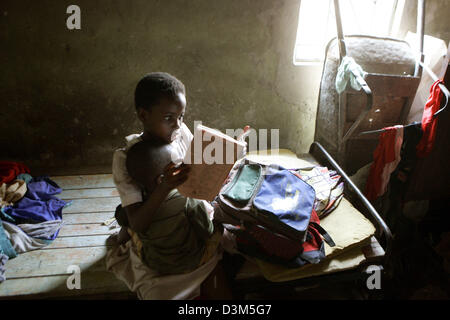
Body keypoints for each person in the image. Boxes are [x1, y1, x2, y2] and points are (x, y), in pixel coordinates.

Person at [111, 72, 193, 245]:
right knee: (127, 216)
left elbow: (198, 163)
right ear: (143, 115)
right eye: (168, 117)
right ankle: (123, 220)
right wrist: (164, 187)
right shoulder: (127, 158)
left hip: (185, 204)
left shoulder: (181, 131)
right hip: (154, 217)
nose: (178, 124)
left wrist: (231, 151)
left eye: (181, 116)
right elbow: (138, 223)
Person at [124, 139, 216, 275]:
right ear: (162, 179)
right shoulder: (185, 198)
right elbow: (206, 231)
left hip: (154, 263)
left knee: (135, 234)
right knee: (218, 234)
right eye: (176, 166)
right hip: (192, 260)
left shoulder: (139, 210)